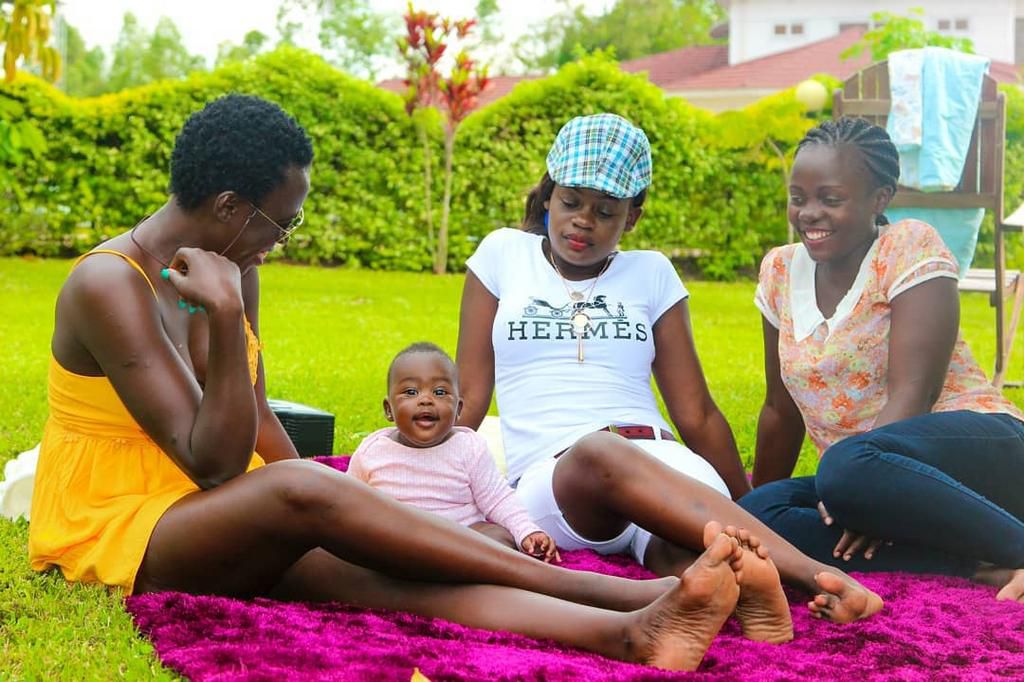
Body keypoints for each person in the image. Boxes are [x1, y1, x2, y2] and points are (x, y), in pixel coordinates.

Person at [28, 93, 775, 672]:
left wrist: (358, 520)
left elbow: (256, 421)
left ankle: (631, 631)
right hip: (123, 528)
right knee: (321, 491)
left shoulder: (233, 267)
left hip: (222, 512)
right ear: (228, 208)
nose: (279, 244)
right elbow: (213, 460)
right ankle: (622, 593)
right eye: (279, 225)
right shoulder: (108, 284)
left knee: (383, 569)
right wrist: (225, 322)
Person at [457, 113, 885, 639]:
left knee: (687, 551)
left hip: (662, 462)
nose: (583, 221)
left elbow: (696, 413)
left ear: (632, 217)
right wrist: (424, 468)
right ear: (548, 196)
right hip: (559, 481)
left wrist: (743, 501)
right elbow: (471, 393)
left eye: (606, 211)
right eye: (570, 202)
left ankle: (745, 596)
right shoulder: (503, 254)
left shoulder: (653, 272)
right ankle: (817, 576)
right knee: (599, 451)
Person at [737, 116, 1024, 603]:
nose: (809, 213)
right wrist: (750, 519)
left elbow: (914, 391)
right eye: (798, 197)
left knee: (849, 464)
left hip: (985, 450)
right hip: (868, 482)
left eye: (830, 199)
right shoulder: (779, 270)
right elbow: (779, 411)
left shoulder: (907, 247)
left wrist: (869, 498)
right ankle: (977, 569)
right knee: (763, 512)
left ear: (879, 199)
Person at [348, 342, 559, 561]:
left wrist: (526, 530)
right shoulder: (373, 451)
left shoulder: (468, 447)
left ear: (458, 409)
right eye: (411, 392)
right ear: (388, 409)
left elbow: (498, 499)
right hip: (398, 541)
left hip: (459, 539)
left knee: (498, 536)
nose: (426, 400)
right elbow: (349, 502)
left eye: (440, 392)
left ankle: (458, 570)